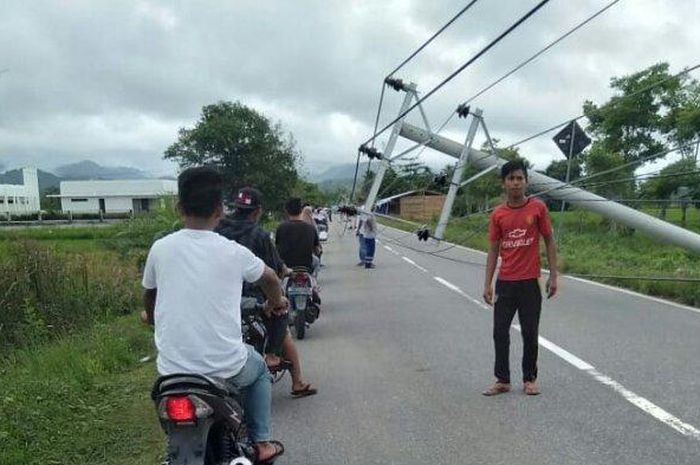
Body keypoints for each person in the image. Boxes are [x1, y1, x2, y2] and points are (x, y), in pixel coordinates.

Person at [141, 167, 285, 463]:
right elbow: (270, 277)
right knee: (259, 370)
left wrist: (152, 317)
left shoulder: (160, 249)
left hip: (173, 372)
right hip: (226, 367)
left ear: (178, 208)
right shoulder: (233, 251)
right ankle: (262, 442)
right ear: (220, 210)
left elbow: (150, 296)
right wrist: (276, 302)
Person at [215, 187, 317, 398]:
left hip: (221, 296)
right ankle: (283, 366)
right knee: (281, 311)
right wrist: (283, 276)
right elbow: (275, 269)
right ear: (257, 210)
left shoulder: (218, 231)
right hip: (254, 296)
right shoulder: (259, 235)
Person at [482, 159, 558, 397]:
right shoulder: (498, 214)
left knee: (529, 332)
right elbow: (493, 249)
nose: (515, 183)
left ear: (527, 181)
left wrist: (553, 275)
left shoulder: (538, 209)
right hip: (506, 283)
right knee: (500, 331)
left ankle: (529, 379)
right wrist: (488, 283)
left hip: (529, 283)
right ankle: (502, 379)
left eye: (519, 178)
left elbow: (549, 241)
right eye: (510, 179)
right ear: (503, 184)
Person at [279, 200, 322, 277]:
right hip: (307, 265)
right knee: (317, 261)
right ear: (301, 210)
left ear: (286, 211)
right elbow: (317, 250)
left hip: (287, 265)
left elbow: (278, 247)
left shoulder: (281, 228)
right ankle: (314, 282)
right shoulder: (311, 228)